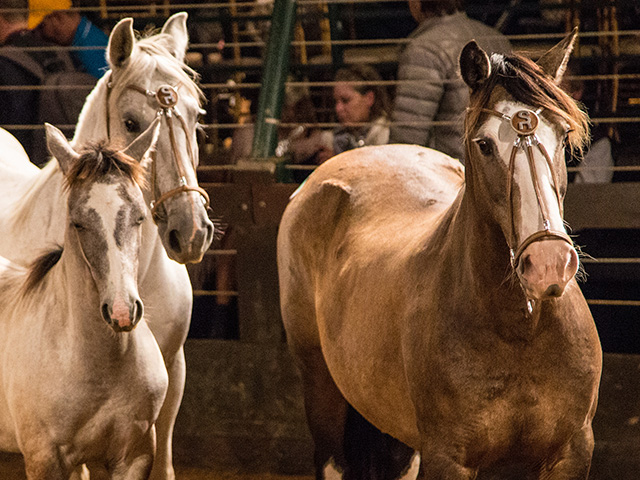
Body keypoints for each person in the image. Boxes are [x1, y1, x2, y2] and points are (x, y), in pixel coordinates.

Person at [389, 0, 511, 161]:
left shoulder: (423, 49)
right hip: (499, 169)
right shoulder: (497, 39)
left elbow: (408, 135)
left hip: (450, 174)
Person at [561, 58, 614, 183]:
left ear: (576, 92)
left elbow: (588, 194)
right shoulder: (532, 134)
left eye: (559, 88)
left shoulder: (597, 142)